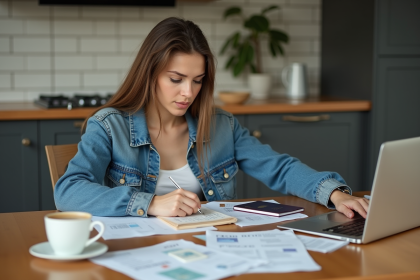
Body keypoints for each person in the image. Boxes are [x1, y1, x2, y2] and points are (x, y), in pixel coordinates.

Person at [54, 17, 369, 219]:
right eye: (176, 79)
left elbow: (280, 168)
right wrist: (150, 203)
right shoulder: (109, 127)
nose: (188, 93)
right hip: (134, 254)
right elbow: (68, 192)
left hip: (207, 249)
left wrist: (334, 193)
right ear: (150, 75)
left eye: (198, 80)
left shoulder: (222, 126)